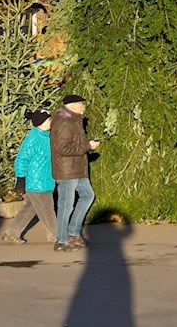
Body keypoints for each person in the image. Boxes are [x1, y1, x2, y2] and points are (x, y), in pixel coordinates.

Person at [51, 94, 100, 252]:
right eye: (81, 104)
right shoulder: (65, 121)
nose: (83, 106)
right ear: (71, 105)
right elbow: (63, 149)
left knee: (88, 195)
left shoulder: (73, 118)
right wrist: (88, 147)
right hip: (67, 170)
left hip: (76, 168)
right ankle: (61, 240)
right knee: (66, 205)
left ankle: (73, 232)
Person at [2, 111, 58, 244]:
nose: (51, 122)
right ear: (41, 123)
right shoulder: (33, 138)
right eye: (49, 120)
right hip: (37, 182)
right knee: (48, 209)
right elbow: (22, 158)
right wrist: (20, 179)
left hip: (44, 179)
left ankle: (11, 233)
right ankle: (56, 235)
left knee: (29, 208)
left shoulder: (46, 136)